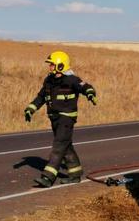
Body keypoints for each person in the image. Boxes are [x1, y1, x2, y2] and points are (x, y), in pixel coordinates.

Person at [24, 51, 97, 187]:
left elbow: (85, 87)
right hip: (54, 118)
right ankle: (75, 174)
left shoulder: (72, 79)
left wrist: (90, 94)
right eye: (50, 64)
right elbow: (40, 97)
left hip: (67, 118)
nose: (50, 67)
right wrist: (30, 109)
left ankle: (47, 177)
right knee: (66, 146)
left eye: (52, 64)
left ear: (60, 65)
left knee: (58, 146)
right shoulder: (49, 81)